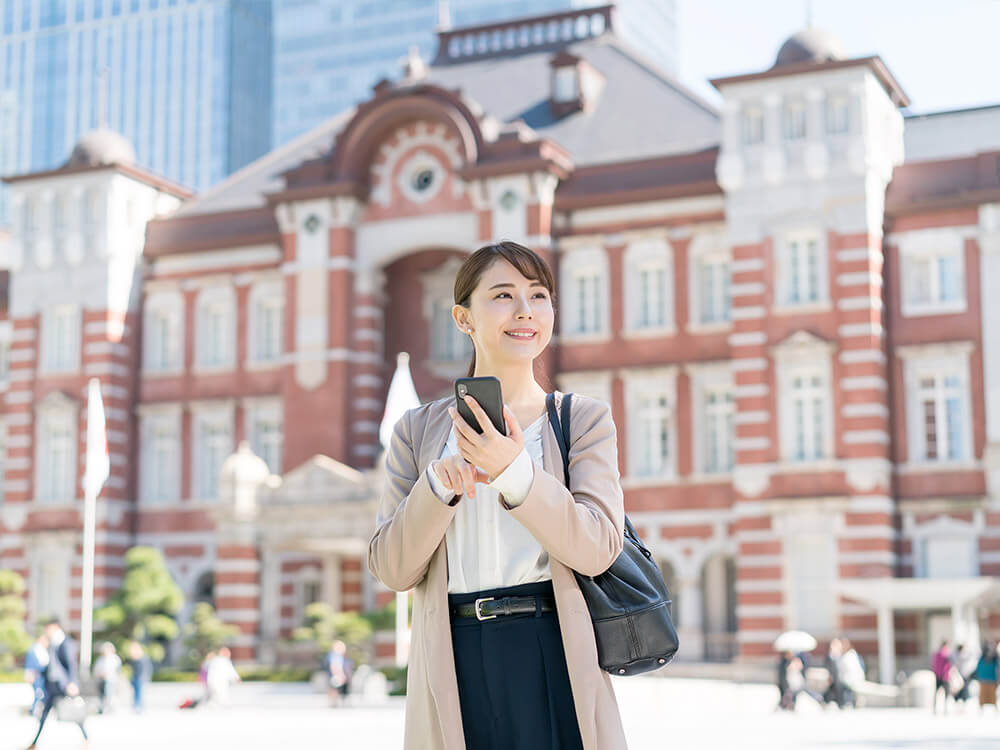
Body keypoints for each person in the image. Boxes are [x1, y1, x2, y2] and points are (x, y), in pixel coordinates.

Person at [369, 242, 628, 749]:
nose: (525, 310)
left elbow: (597, 547)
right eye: (503, 295)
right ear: (463, 317)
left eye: (538, 295)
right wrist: (439, 487)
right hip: (454, 651)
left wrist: (513, 471)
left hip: (553, 647)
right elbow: (391, 568)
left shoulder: (581, 420)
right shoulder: (418, 432)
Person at [26, 618, 88, 750]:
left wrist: (72, 682)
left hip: (63, 685)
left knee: (74, 713)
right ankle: (34, 742)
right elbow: (50, 666)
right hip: (52, 686)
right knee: (44, 715)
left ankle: (86, 739)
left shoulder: (65, 643)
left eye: (47, 627)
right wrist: (37, 673)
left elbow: (71, 665)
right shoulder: (53, 643)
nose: (46, 631)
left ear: (54, 627)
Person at [23, 633, 49, 718]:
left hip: (42, 676)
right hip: (36, 675)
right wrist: (28, 674)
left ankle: (37, 710)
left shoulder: (44, 649)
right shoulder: (33, 649)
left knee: (41, 693)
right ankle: (34, 710)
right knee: (39, 693)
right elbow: (29, 664)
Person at [93, 641, 123, 713]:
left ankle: (111, 708)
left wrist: (108, 674)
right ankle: (102, 708)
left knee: (110, 694)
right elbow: (96, 669)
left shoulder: (115, 659)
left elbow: (117, 670)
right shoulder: (100, 659)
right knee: (101, 695)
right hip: (101, 679)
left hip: (111, 680)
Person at [324, 640, 351, 707]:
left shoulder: (334, 655)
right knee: (335, 688)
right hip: (336, 675)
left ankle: (334, 702)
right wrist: (340, 675)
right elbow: (334, 666)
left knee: (334, 688)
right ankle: (334, 702)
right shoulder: (336, 655)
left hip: (334, 675)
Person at [127, 640, 152, 713]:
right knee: (136, 694)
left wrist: (144, 678)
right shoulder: (135, 660)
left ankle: (140, 707)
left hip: (141, 679)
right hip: (136, 678)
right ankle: (137, 707)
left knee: (140, 694)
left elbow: (146, 670)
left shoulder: (143, 659)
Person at [822, 638, 847, 708]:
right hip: (832, 677)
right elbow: (827, 666)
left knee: (839, 691)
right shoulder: (829, 656)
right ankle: (826, 702)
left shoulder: (840, 656)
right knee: (831, 691)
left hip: (840, 677)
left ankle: (840, 704)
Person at [975, 641, 998, 711]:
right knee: (983, 694)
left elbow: (997, 669)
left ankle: (995, 707)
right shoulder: (982, 658)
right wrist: (978, 677)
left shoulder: (995, 658)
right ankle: (981, 707)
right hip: (983, 678)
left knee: (992, 695)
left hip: (992, 679)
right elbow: (978, 667)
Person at [932, 640, 953, 714]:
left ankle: (934, 708)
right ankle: (945, 709)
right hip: (945, 676)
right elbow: (949, 665)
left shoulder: (936, 654)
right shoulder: (947, 654)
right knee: (946, 694)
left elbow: (934, 665)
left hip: (938, 675)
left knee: (936, 693)